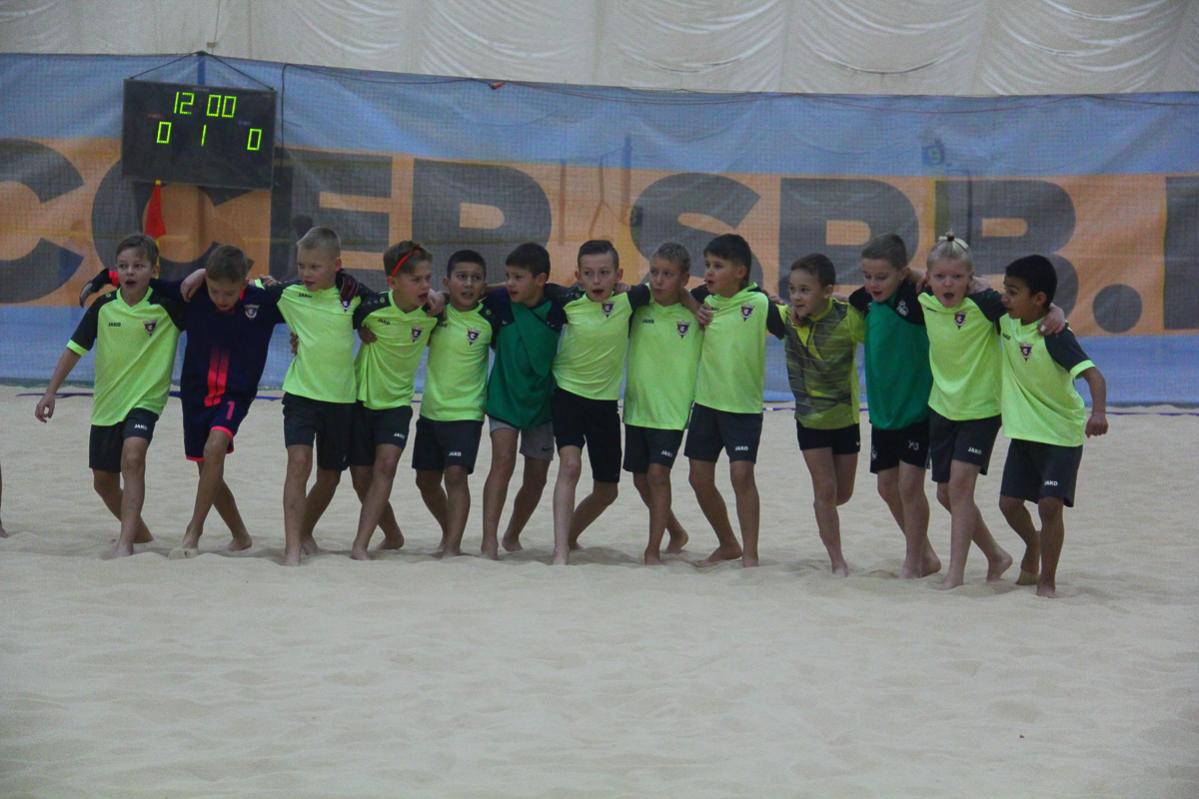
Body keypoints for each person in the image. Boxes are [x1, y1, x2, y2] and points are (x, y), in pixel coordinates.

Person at [919, 233, 1065, 589]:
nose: (948, 283)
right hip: (942, 407)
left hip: (981, 410)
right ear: (928, 278)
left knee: (960, 488)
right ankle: (996, 555)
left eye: (957, 276)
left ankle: (955, 574)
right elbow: (896, 279)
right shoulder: (923, 298)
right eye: (940, 277)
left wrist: (1057, 311)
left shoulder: (986, 304)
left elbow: (1032, 306)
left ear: (971, 279)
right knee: (945, 494)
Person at [35, 233, 184, 557]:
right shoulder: (103, 307)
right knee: (103, 482)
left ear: (154, 270)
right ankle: (140, 533)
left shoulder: (168, 306)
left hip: (145, 402)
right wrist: (50, 392)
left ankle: (125, 543)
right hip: (107, 405)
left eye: (138, 266)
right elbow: (74, 349)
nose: (130, 272)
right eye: (123, 266)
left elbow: (206, 297)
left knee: (133, 456)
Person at [157, 245, 284, 557]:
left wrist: (278, 287)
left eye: (229, 293)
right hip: (195, 396)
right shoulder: (195, 294)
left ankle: (193, 533)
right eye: (215, 291)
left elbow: (309, 297)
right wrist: (200, 274)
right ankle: (240, 535)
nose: (220, 298)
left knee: (215, 448)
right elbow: (150, 284)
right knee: (207, 471)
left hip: (234, 395)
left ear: (244, 283)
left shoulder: (262, 302)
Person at [265, 226, 377, 566]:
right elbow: (244, 284)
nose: (306, 273)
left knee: (329, 477)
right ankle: (291, 548)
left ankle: (305, 531)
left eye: (315, 266)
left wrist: (364, 325)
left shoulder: (353, 296)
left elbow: (386, 304)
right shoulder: (289, 294)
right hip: (300, 395)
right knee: (299, 463)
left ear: (336, 265)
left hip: (341, 400)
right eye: (301, 265)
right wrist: (199, 275)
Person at [997, 254, 1107, 597]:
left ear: (1038, 299)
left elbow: (1094, 375)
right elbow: (967, 285)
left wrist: (1098, 413)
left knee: (1049, 505)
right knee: (1008, 504)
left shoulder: (1056, 335)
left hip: (1061, 434)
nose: (1005, 297)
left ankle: (1047, 581)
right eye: (1005, 289)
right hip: (1024, 432)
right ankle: (1033, 544)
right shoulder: (1005, 320)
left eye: (1013, 291)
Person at [549, 240, 658, 565]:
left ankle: (570, 535)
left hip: (606, 405)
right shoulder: (566, 300)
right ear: (577, 276)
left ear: (618, 274)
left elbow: (669, 287)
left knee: (607, 490)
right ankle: (560, 552)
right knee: (570, 466)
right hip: (567, 395)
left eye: (604, 273)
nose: (596, 280)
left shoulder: (630, 299)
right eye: (588, 273)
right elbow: (519, 285)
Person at [685, 234, 786, 567]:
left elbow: (793, 325)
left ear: (740, 271)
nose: (709, 272)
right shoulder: (704, 299)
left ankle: (751, 556)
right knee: (698, 478)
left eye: (718, 266)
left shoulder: (759, 303)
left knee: (741, 476)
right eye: (707, 265)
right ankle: (728, 543)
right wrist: (695, 309)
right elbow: (675, 294)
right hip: (706, 404)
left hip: (743, 408)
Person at [849, 234, 941, 578]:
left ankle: (913, 561)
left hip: (917, 409)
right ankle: (926, 555)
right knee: (887, 487)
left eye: (882, 277)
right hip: (883, 412)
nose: (872, 284)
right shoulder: (865, 300)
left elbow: (953, 286)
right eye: (867, 276)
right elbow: (841, 299)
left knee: (909, 487)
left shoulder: (917, 300)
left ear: (902, 273)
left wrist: (915, 275)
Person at [348, 241, 437, 560]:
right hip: (360, 401)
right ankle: (393, 534)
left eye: (428, 278)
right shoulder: (369, 309)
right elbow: (336, 313)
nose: (425, 286)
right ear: (393, 282)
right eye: (416, 280)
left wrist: (440, 297)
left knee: (385, 467)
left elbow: (476, 293)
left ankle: (360, 544)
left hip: (398, 405)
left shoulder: (433, 313)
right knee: (361, 479)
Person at [779, 254, 865, 576]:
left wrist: (843, 298)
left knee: (843, 494)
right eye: (792, 289)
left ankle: (822, 507)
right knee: (825, 490)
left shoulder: (848, 317)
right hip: (810, 420)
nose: (796, 297)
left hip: (845, 419)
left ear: (827, 290)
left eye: (805, 290)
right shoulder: (785, 318)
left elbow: (879, 318)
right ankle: (837, 560)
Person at [480, 243, 567, 559]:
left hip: (542, 403)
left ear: (540, 279)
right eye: (507, 276)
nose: (510, 283)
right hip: (504, 398)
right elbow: (470, 293)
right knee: (502, 462)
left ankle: (512, 534)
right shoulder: (500, 302)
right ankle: (488, 541)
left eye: (518, 277)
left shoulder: (559, 307)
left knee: (537, 478)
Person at [412, 250, 498, 557]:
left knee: (456, 475)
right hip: (431, 411)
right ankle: (449, 529)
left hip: (467, 413)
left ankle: (452, 546)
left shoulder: (489, 319)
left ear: (484, 285)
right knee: (425, 481)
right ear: (447, 282)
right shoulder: (435, 313)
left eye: (476, 278)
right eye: (462, 277)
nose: (469, 284)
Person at [622, 243, 699, 564]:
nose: (658, 279)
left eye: (667, 274)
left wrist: (691, 301)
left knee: (657, 475)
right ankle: (676, 532)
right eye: (654, 272)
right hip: (637, 410)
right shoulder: (638, 308)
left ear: (684, 278)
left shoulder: (697, 314)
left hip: (672, 413)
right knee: (641, 480)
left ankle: (652, 550)